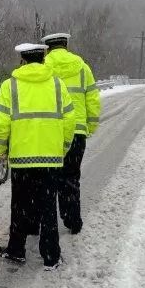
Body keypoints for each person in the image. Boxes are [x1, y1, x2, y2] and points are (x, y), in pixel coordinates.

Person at [0, 43, 75, 270]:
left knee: (19, 205)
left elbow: (1, 124)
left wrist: (1, 152)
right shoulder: (58, 85)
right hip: (50, 158)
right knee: (48, 207)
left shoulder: (10, 86)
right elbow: (70, 121)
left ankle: (16, 250)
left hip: (21, 159)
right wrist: (63, 148)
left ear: (23, 61)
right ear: (43, 58)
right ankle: (51, 256)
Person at [41, 32, 101, 235]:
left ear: (47, 48)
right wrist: (89, 126)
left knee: (48, 180)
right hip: (76, 131)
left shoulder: (43, 67)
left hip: (51, 132)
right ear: (66, 46)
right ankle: (72, 221)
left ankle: (45, 224)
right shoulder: (82, 67)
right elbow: (92, 98)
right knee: (71, 177)